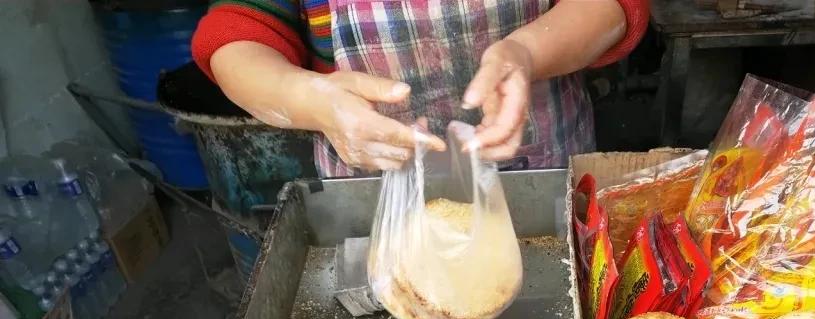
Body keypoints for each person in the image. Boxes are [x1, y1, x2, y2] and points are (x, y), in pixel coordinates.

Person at [192, 0, 649, 176]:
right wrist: (307, 99)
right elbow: (236, 37)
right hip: (373, 182)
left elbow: (611, 8)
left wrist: (526, 53)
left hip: (541, 170)